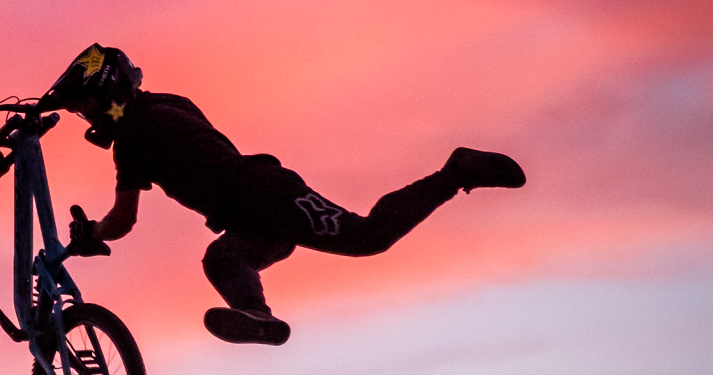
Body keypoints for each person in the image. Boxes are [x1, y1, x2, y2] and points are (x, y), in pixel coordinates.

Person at [44, 43, 525, 346]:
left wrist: (91, 233)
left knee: (367, 236)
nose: (88, 117)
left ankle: (454, 172)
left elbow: (124, 220)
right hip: (250, 212)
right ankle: (255, 314)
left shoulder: (133, 138)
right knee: (223, 258)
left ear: (108, 91)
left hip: (266, 194)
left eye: (88, 105)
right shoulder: (169, 104)